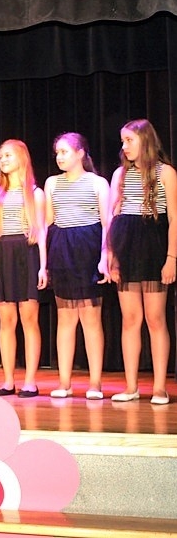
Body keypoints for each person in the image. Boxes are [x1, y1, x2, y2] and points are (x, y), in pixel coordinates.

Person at [108, 119, 176, 405]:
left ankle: (159, 387)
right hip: (126, 245)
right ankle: (131, 386)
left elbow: (174, 218)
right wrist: (112, 257)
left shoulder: (165, 172)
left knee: (155, 318)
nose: (124, 146)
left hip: (153, 243)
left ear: (145, 140)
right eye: (123, 141)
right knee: (130, 319)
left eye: (129, 140)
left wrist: (172, 257)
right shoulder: (121, 174)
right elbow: (114, 217)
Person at [44, 132, 110, 400]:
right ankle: (64, 382)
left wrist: (105, 255)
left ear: (80, 153)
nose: (59, 157)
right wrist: (45, 262)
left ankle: (95, 383)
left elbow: (107, 223)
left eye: (65, 152)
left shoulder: (97, 183)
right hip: (61, 247)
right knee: (66, 318)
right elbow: (48, 223)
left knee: (90, 318)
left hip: (88, 246)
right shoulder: (52, 183)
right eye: (57, 153)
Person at [0, 139, 47, 398]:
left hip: (26, 253)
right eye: (0, 156)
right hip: (1, 254)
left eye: (8, 155)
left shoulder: (35, 193)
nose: (3, 160)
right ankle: (8, 380)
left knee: (29, 319)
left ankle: (30, 381)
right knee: (6, 321)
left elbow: (41, 231)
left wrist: (43, 266)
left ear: (22, 157)